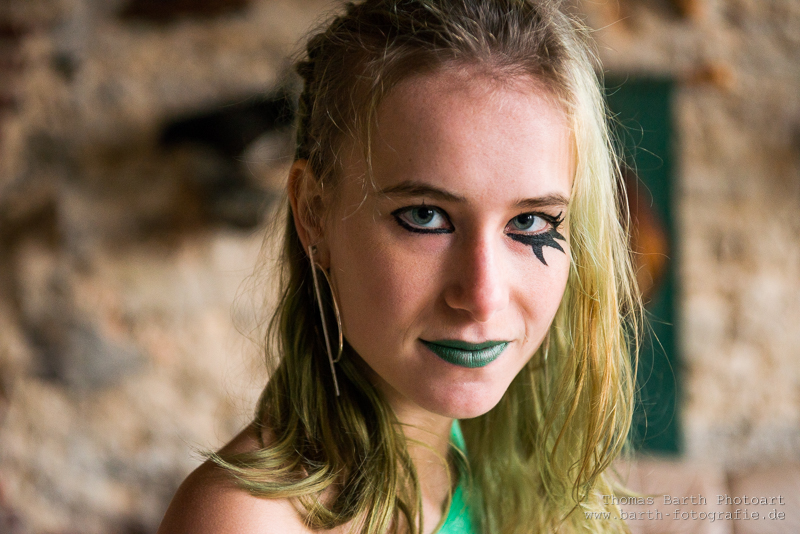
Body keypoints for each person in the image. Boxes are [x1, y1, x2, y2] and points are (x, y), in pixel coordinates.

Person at [158, 0, 640, 533]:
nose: (483, 296)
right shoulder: (246, 522)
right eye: (425, 216)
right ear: (314, 213)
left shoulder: (509, 471)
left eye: (530, 222)